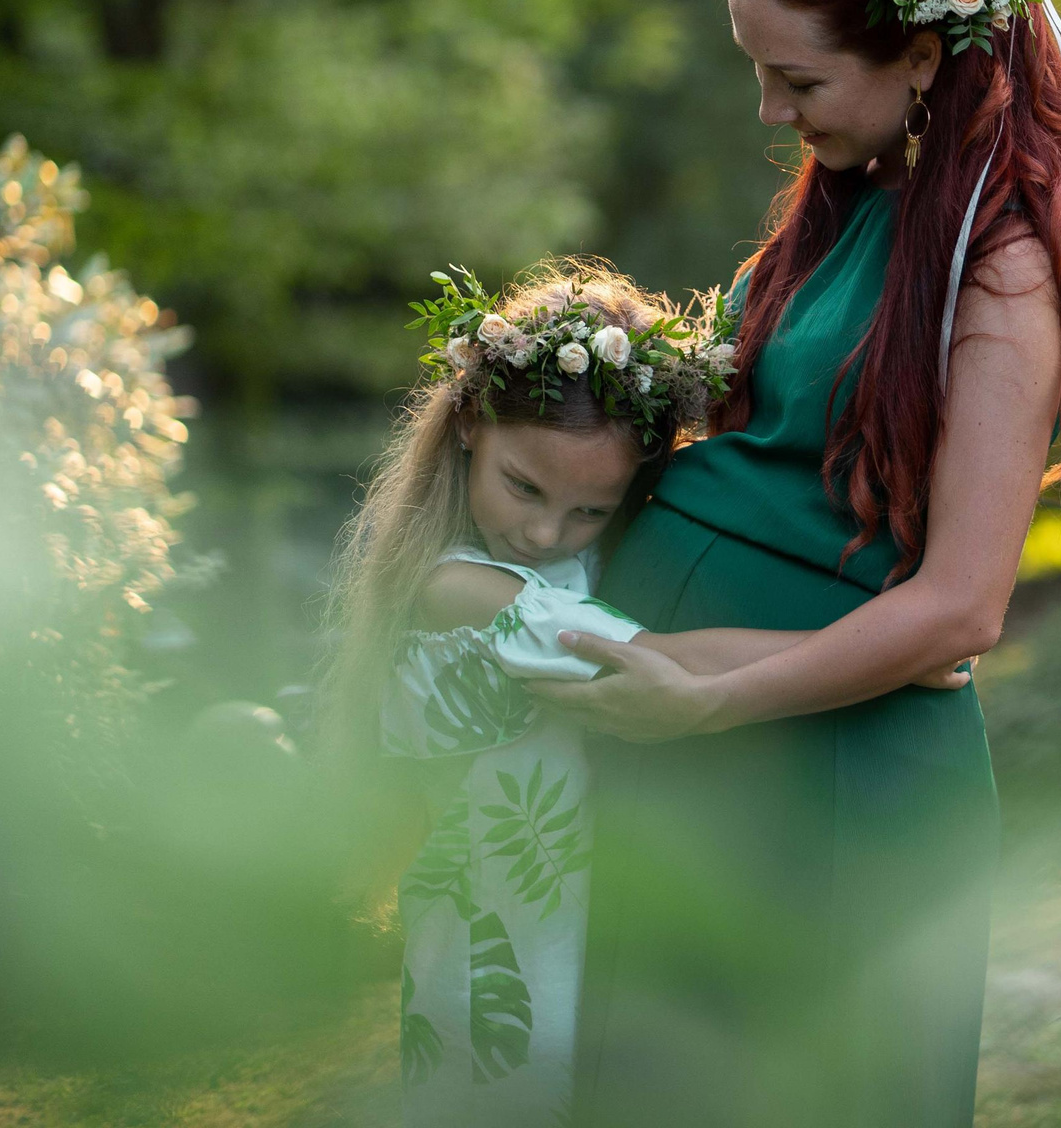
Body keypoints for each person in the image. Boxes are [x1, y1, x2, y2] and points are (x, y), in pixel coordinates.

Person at [540, 0, 1061, 1128]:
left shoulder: (1001, 271)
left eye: (799, 83)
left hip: (826, 784)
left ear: (920, 54)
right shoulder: (848, 207)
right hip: (694, 754)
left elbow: (961, 606)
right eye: (754, 73)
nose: (770, 111)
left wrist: (705, 697)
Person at [317, 259, 971, 1128]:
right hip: (499, 943)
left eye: (589, 511)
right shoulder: (457, 586)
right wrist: (890, 649)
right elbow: (658, 657)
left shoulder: (567, 561)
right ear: (471, 425)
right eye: (526, 488)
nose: (547, 531)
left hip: (587, 919)